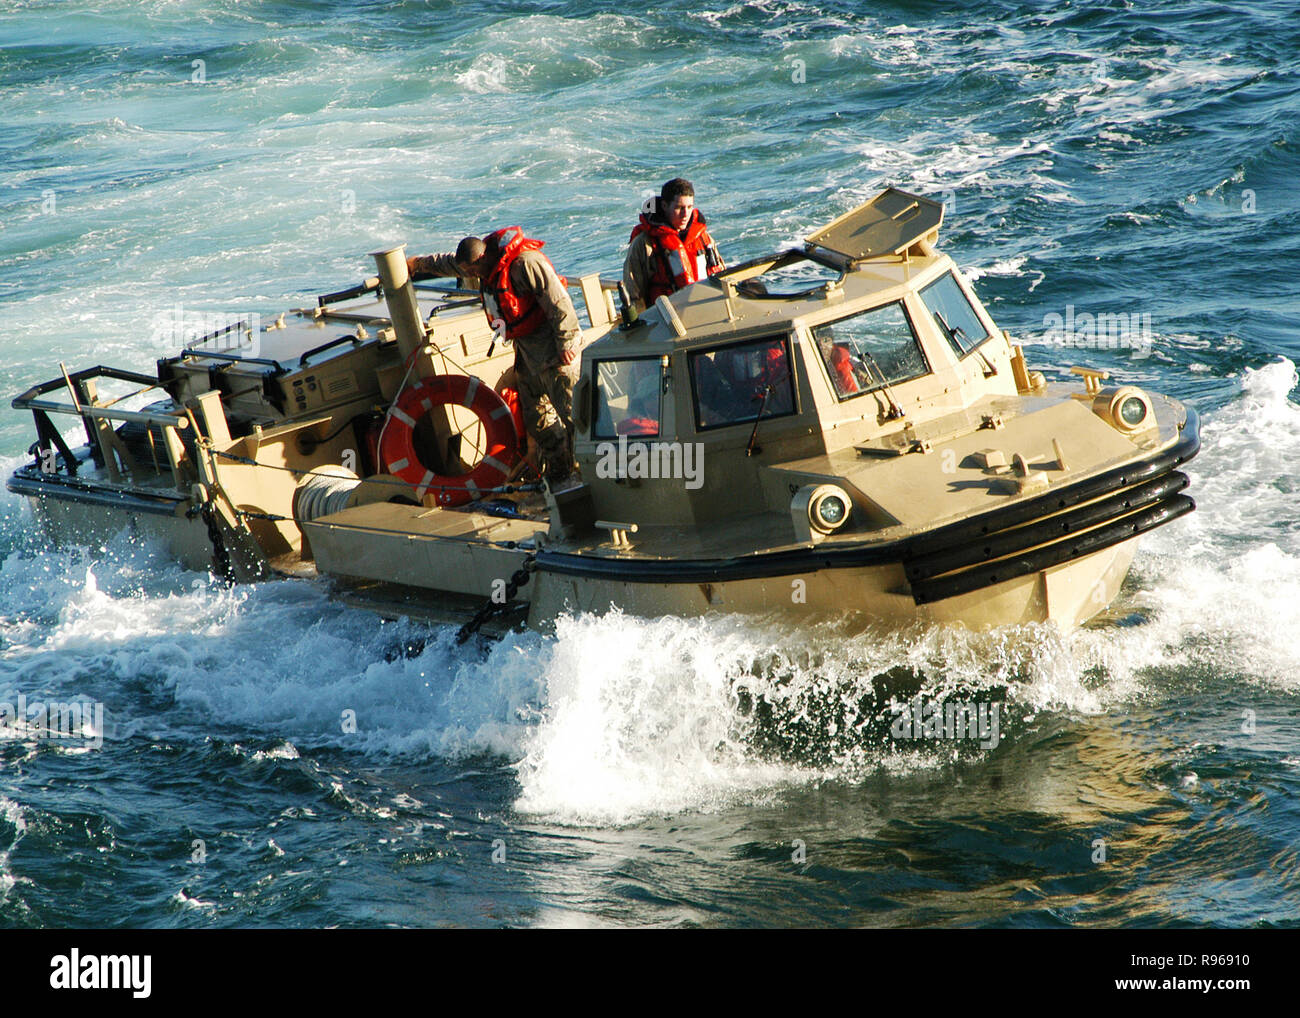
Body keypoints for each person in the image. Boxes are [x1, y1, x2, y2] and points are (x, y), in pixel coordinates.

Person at [407, 228, 581, 485]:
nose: (472, 277)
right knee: (536, 417)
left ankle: (592, 471)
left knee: (574, 415)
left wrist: (567, 343)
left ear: (481, 259)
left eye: (473, 271)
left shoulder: (526, 263)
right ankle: (561, 469)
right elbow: (447, 263)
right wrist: (416, 264)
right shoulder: (480, 266)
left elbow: (558, 302)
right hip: (526, 355)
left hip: (554, 352)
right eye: (468, 273)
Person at [622, 178, 724, 313]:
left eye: (689, 207)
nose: (685, 214)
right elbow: (633, 291)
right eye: (679, 208)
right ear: (664, 206)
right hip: (667, 318)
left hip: (708, 309)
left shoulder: (704, 238)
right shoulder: (644, 244)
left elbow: (722, 274)